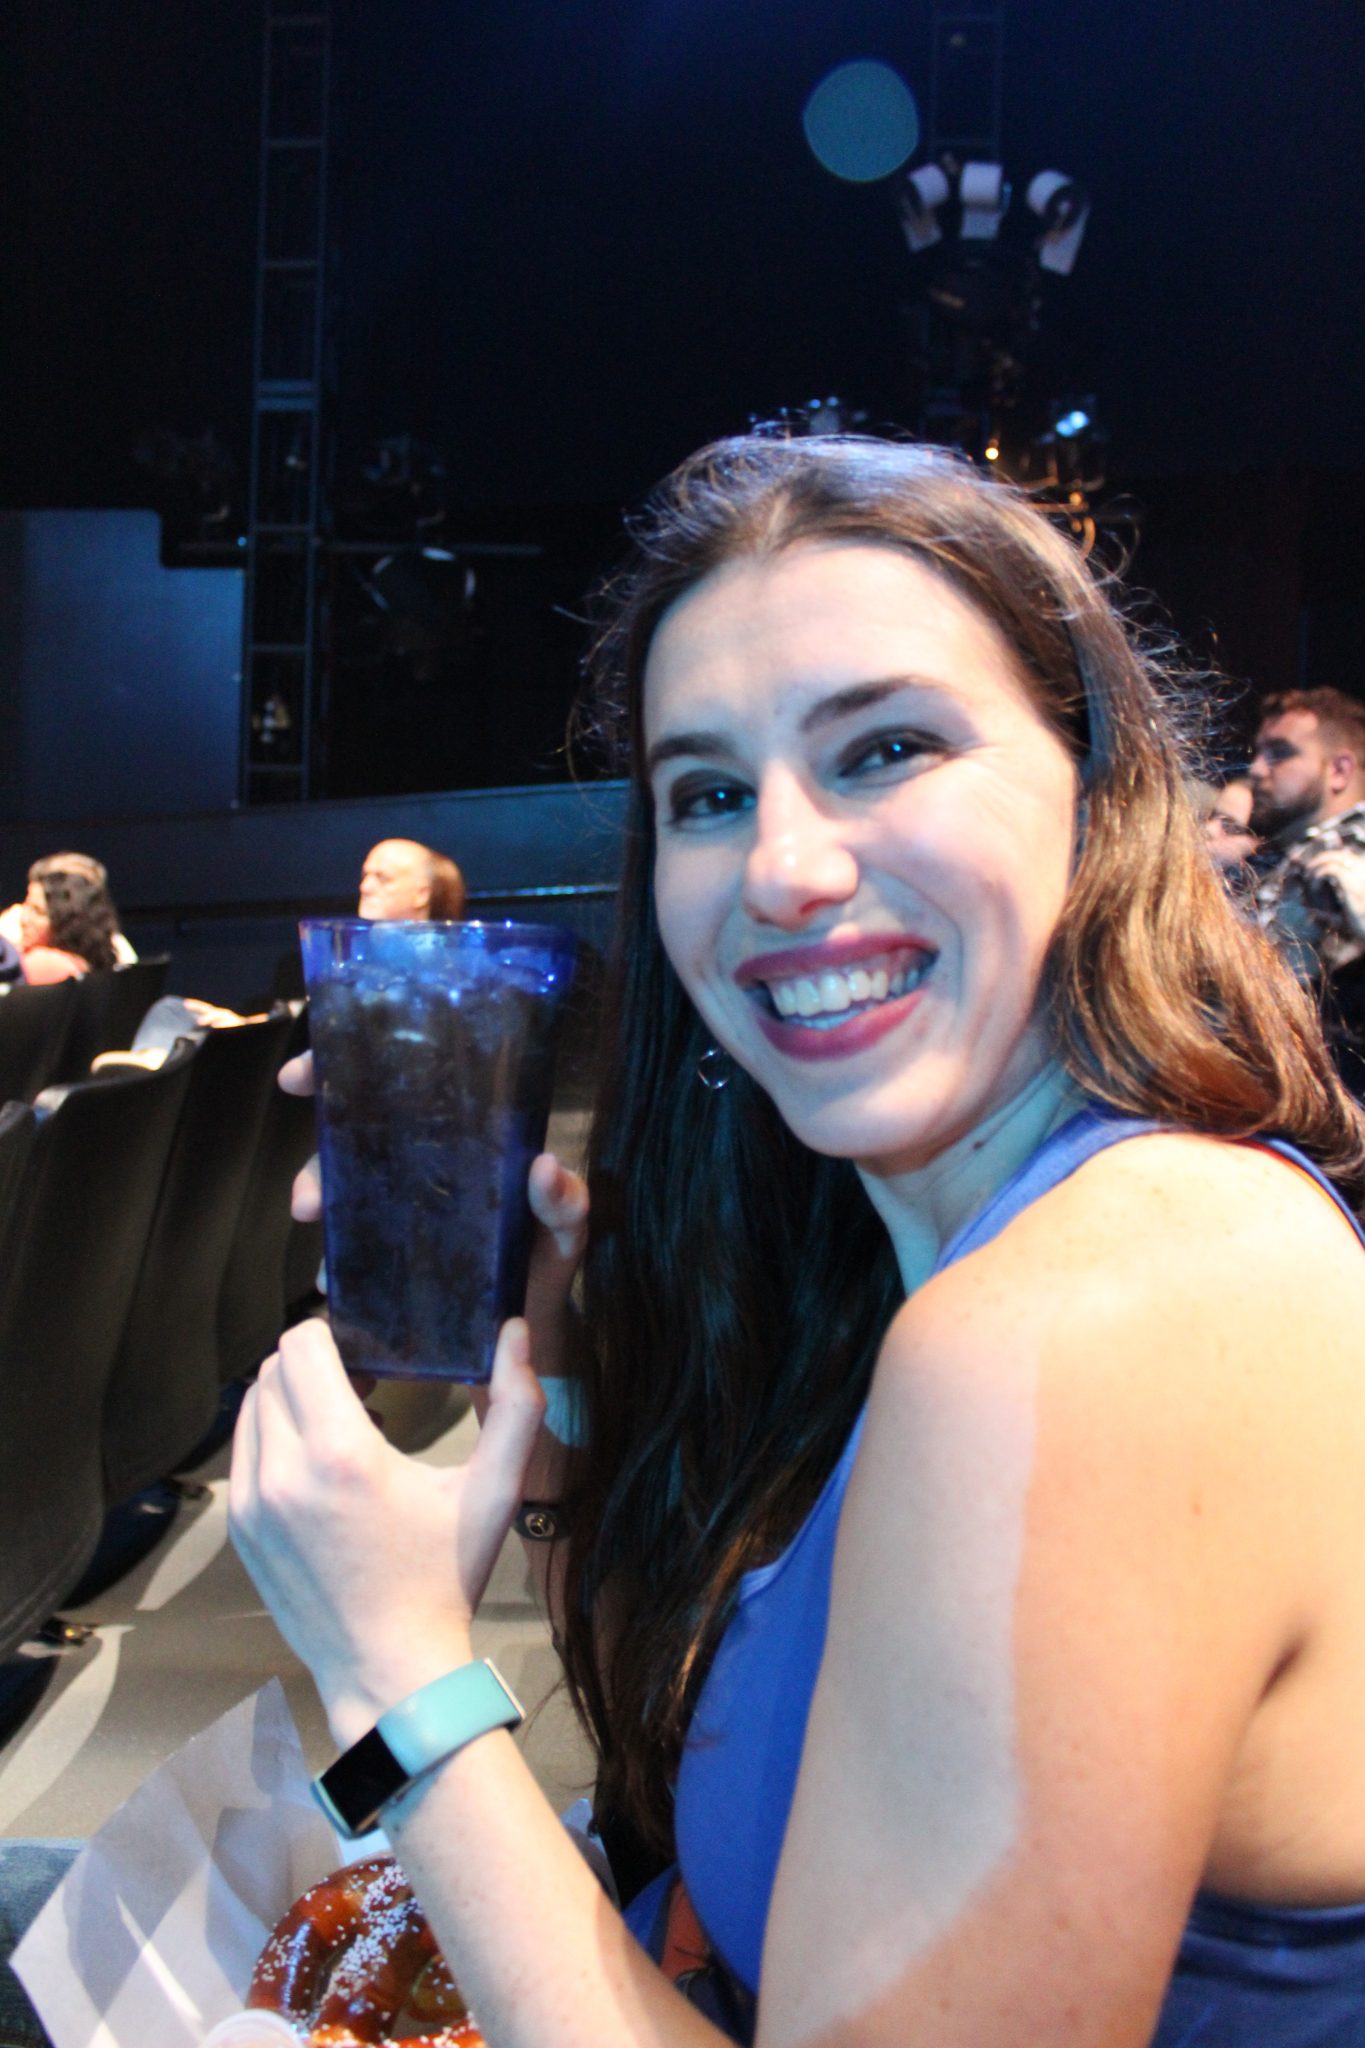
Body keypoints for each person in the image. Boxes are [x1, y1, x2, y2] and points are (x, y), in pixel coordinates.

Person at [230, 436, 1365, 2048]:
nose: (780, 866)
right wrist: (560, 1395)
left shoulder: (1100, 1315)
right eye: (707, 793)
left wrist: (391, 1676)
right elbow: (717, 1791)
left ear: (1101, 789)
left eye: (885, 748)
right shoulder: (909, 1263)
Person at [1249, 688, 1365, 1089]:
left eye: (1280, 754)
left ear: (1339, 771)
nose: (1257, 770)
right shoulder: (1293, 855)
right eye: (1259, 753)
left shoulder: (1348, 848)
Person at [0, 853, 124, 983]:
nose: (24, 919)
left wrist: (7, 949)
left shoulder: (45, 963)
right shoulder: (93, 958)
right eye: (26, 905)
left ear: (67, 924)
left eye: (38, 911)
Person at [357, 838, 466, 922]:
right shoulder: (348, 946)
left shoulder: (458, 951)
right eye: (365, 875)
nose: (364, 888)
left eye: (383, 879)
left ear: (422, 894)